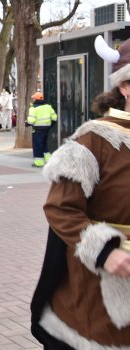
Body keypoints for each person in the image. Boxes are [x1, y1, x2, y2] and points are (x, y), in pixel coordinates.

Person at [30, 36, 130, 349]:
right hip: (101, 288)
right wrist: (104, 251)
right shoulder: (93, 141)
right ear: (125, 86)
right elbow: (60, 209)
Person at [26, 92, 57, 168]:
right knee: (44, 144)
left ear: (35, 99)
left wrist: (27, 123)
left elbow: (31, 121)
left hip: (37, 129)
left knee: (37, 145)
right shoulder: (48, 107)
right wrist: (50, 125)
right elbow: (54, 118)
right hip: (46, 129)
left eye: (33, 98)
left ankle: (39, 162)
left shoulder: (33, 108)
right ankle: (49, 160)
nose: (33, 99)